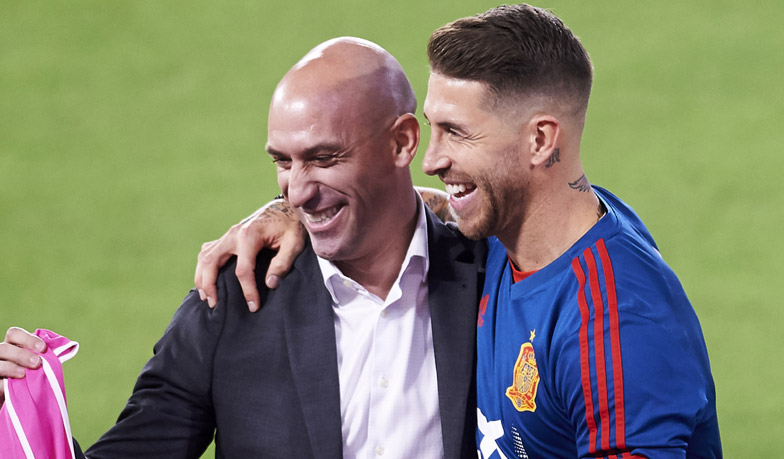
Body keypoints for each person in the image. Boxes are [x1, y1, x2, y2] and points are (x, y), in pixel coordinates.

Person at [189, 4, 722, 458]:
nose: (431, 159)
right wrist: (290, 211)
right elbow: (421, 207)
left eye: (456, 133)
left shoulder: (613, 322)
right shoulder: (522, 228)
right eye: (433, 127)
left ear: (540, 141)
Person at [0, 37, 484, 458]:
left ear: (402, 142)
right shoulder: (233, 299)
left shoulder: (491, 276)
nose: (297, 193)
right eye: (283, 162)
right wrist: (15, 416)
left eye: (323, 158)